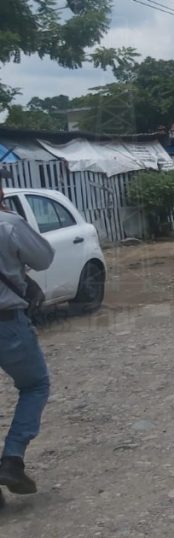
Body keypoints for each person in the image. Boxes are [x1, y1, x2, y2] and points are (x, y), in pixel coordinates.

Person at [0, 181, 55, 498]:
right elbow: (44, 257)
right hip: (7, 324)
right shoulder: (9, 224)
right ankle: (12, 458)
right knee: (35, 385)